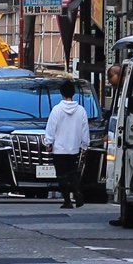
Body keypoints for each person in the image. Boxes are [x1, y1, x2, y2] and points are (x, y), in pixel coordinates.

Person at [43, 80, 90, 209]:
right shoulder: (81, 110)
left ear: (61, 93)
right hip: (74, 148)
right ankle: (78, 192)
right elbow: (84, 129)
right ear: (73, 93)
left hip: (59, 148)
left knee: (61, 175)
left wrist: (48, 143)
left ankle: (67, 201)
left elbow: (51, 128)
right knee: (72, 172)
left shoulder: (57, 110)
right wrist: (84, 145)